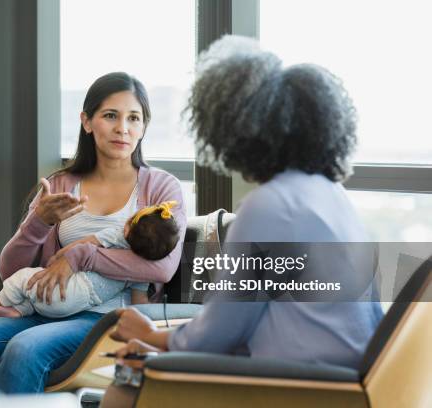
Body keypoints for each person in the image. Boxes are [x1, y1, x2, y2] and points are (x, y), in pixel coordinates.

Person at [102, 35, 383, 406]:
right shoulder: (331, 195)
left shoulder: (270, 205)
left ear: (239, 133)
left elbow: (220, 330)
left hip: (303, 384)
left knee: (125, 384)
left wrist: (151, 335)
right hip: (346, 379)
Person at [0, 72, 187, 397]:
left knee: (26, 350)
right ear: (87, 121)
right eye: (110, 115)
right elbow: (10, 271)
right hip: (43, 309)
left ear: (144, 127)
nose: (123, 128)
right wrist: (38, 221)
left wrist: (82, 255)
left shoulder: (161, 188)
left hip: (105, 320)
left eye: (134, 118)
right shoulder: (62, 185)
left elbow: (161, 268)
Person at [0, 201, 180, 318]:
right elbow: (139, 302)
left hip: (72, 288)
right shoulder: (141, 272)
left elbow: (85, 243)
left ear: (127, 226)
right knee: (35, 297)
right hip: (81, 304)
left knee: (24, 278)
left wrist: (60, 257)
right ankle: (17, 312)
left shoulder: (117, 235)